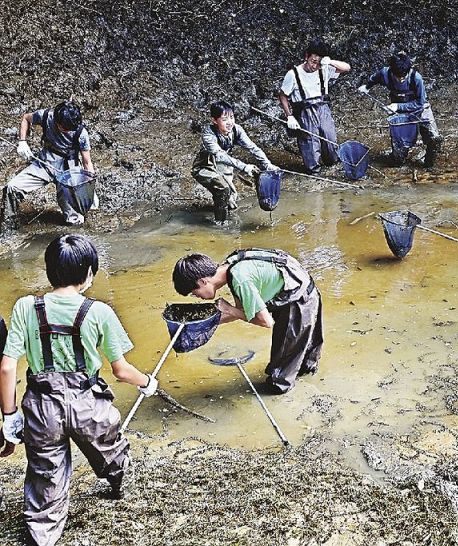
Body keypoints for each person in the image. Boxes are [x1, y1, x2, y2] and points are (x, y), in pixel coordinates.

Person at [0, 234, 158, 546]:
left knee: (46, 475)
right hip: (88, 404)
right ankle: (119, 486)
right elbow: (121, 370)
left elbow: (6, 367)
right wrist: (147, 382)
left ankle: (42, 536)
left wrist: (10, 416)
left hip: (42, 407)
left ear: (49, 270)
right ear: (88, 273)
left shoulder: (25, 307)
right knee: (112, 453)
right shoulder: (99, 311)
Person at [172, 248, 323, 394]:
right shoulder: (230, 267)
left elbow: (266, 322)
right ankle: (306, 376)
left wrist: (229, 309)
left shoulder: (240, 279)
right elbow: (243, 312)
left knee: (279, 380)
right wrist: (205, 323)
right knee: (298, 357)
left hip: (299, 297)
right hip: (296, 285)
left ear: (203, 281)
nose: (197, 297)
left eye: (194, 292)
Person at [2, 101, 95, 231]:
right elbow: (26, 118)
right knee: (12, 188)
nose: (68, 131)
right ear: (57, 122)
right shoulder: (46, 116)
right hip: (44, 163)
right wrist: (22, 142)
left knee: (75, 219)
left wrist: (89, 187)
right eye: (65, 128)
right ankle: (8, 224)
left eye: (71, 129)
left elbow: (87, 162)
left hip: (68, 171)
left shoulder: (81, 132)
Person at [192, 100, 277, 224]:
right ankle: (220, 224)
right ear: (214, 120)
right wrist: (245, 167)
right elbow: (220, 156)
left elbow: (252, 148)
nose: (230, 122)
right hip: (205, 167)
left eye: (232, 117)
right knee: (223, 189)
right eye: (224, 119)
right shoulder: (208, 134)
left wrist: (267, 164)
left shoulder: (236, 130)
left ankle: (221, 209)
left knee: (231, 202)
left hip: (223, 165)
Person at [358, 52, 443, 167]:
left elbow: (420, 102)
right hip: (401, 114)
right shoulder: (385, 73)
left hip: (420, 109)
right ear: (392, 72)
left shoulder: (416, 78)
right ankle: (398, 159)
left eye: (404, 77)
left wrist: (397, 106)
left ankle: (428, 164)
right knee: (399, 150)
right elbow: (374, 78)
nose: (401, 80)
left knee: (434, 139)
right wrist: (367, 87)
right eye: (398, 77)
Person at [279, 39, 351, 174]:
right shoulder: (293, 74)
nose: (315, 66)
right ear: (306, 56)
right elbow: (283, 95)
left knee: (330, 141)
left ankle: (331, 163)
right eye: (313, 61)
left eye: (318, 63)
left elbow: (347, 68)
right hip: (305, 112)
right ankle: (314, 170)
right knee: (310, 143)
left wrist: (329, 62)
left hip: (323, 108)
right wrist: (289, 116)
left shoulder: (324, 69)